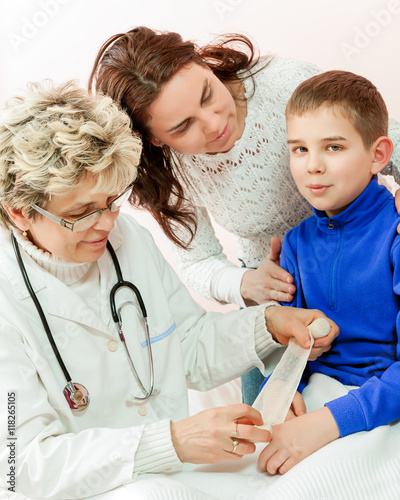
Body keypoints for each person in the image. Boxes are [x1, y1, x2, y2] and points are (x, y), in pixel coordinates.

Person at [0, 81, 337, 499]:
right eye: (81, 213)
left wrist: (265, 325)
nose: (106, 223)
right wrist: (170, 442)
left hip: (176, 472)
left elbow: (188, 346)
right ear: (20, 212)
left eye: (110, 201)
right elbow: (20, 466)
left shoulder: (125, 238)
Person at [88, 26, 400, 405]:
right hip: (279, 293)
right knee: (267, 417)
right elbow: (197, 261)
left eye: (207, 94)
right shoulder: (171, 172)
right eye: (183, 126)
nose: (214, 123)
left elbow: (382, 140)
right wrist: (246, 284)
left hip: (370, 260)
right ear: (157, 139)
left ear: (202, 62)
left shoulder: (285, 82)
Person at [257, 70, 400, 479]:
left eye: (333, 147)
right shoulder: (297, 244)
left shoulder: (396, 233)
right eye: (299, 149)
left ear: (378, 154)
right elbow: (291, 353)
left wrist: (325, 424)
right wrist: (286, 393)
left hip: (381, 405)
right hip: (317, 403)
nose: (313, 166)